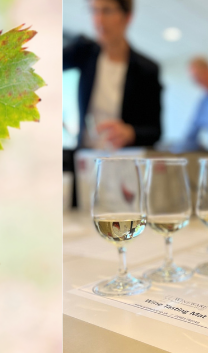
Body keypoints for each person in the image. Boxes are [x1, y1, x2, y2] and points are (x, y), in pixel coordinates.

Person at [63, 0, 162, 207]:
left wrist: (130, 132)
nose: (98, 20)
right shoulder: (84, 52)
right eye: (94, 11)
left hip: (124, 168)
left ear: (127, 17)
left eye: (106, 11)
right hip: (85, 163)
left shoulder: (147, 70)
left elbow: (156, 130)